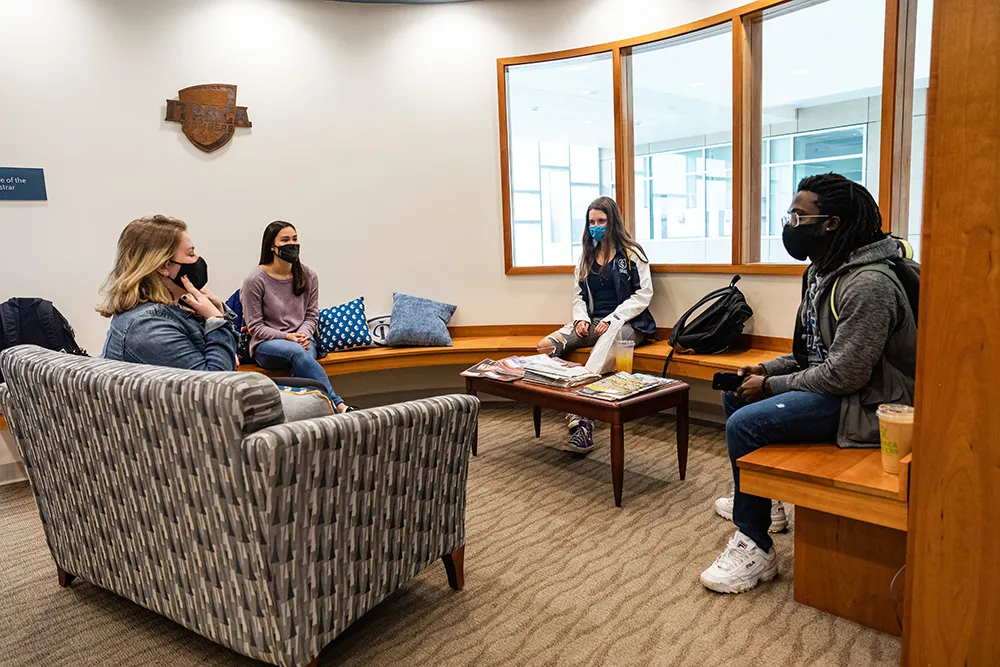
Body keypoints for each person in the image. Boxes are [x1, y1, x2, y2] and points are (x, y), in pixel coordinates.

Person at [700, 173, 917, 594]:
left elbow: (844, 374)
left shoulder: (868, 284)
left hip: (872, 403)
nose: (789, 225)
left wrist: (768, 389)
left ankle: (755, 546)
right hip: (844, 387)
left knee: (746, 423)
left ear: (831, 224)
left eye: (798, 216)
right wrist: (764, 372)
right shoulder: (822, 272)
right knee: (735, 396)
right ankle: (769, 504)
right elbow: (809, 356)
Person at [536, 196, 656, 453]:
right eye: (592, 221)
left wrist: (613, 318)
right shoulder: (586, 257)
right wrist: (581, 319)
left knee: (603, 346)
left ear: (613, 221)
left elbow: (643, 295)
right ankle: (567, 398)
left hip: (626, 323)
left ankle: (582, 420)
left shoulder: (632, 254)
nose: (596, 226)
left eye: (601, 220)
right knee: (544, 347)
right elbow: (578, 295)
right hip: (592, 321)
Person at [99, 215, 238, 370]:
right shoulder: (147, 326)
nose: (198, 260)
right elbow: (217, 386)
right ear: (164, 267)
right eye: (191, 254)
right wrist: (216, 320)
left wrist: (219, 315)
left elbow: (230, 359)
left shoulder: (178, 309)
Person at [241, 221, 350, 413]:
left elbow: (311, 315)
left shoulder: (309, 276)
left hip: (303, 340)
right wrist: (288, 337)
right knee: (298, 353)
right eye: (285, 240)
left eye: (295, 239)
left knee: (302, 358)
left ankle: (304, 418)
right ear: (272, 247)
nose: (292, 244)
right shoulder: (255, 280)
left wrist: (302, 334)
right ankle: (337, 405)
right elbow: (255, 326)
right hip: (267, 345)